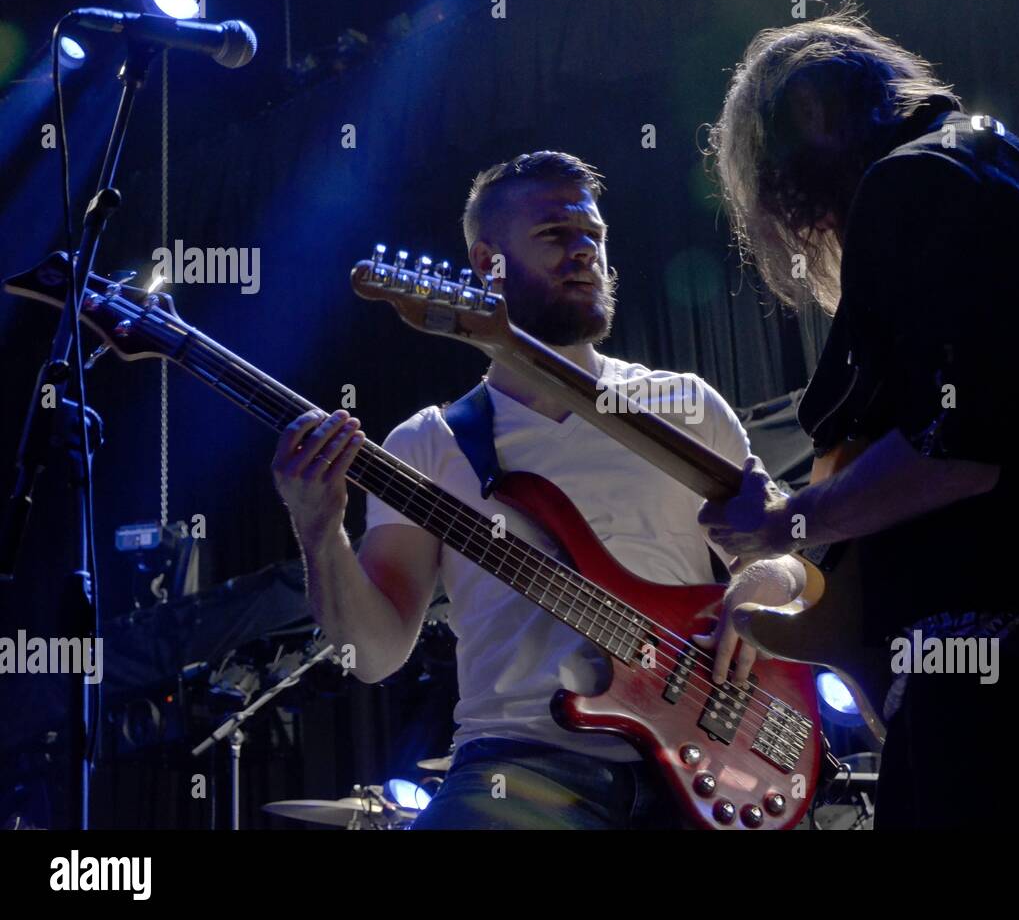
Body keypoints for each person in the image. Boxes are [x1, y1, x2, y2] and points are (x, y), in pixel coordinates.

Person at [699, 7, 1019, 828]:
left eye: (785, 186)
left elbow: (955, 448)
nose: (806, 222)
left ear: (810, 126)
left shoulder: (909, 182)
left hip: (957, 630)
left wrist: (787, 523)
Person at [272, 151, 807, 829]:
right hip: (519, 766)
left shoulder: (684, 405)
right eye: (555, 234)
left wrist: (764, 582)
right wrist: (318, 533)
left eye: (593, 235)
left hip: (703, 758)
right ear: (487, 261)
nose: (584, 252)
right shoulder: (429, 444)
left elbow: (790, 557)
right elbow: (375, 655)